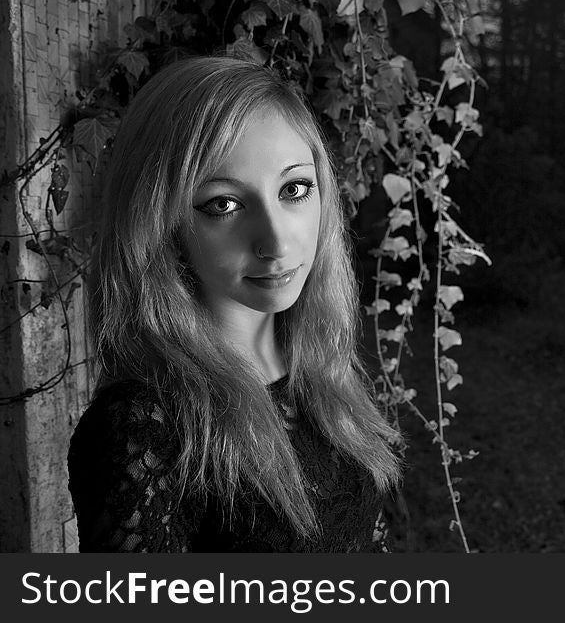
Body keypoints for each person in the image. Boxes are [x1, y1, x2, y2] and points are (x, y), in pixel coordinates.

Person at [68, 56, 401, 552]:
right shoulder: (143, 429)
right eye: (223, 204)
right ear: (160, 223)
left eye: (295, 189)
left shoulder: (326, 375)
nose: (276, 242)